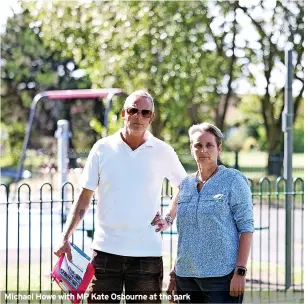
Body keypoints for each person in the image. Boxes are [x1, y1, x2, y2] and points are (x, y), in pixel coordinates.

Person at [54, 90, 187, 303]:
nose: (138, 116)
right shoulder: (102, 148)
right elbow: (84, 196)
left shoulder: (163, 151)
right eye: (133, 110)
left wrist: (169, 218)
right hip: (105, 254)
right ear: (123, 113)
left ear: (151, 117)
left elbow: (185, 187)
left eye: (145, 113)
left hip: (147, 255)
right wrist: (65, 236)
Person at [153, 122, 254, 303]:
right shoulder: (185, 184)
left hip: (221, 278)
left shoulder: (233, 181)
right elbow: (186, 234)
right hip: (186, 278)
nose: (203, 150)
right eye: (198, 145)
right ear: (192, 149)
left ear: (219, 148)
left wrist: (240, 271)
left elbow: (246, 229)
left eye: (209, 145)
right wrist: (175, 273)